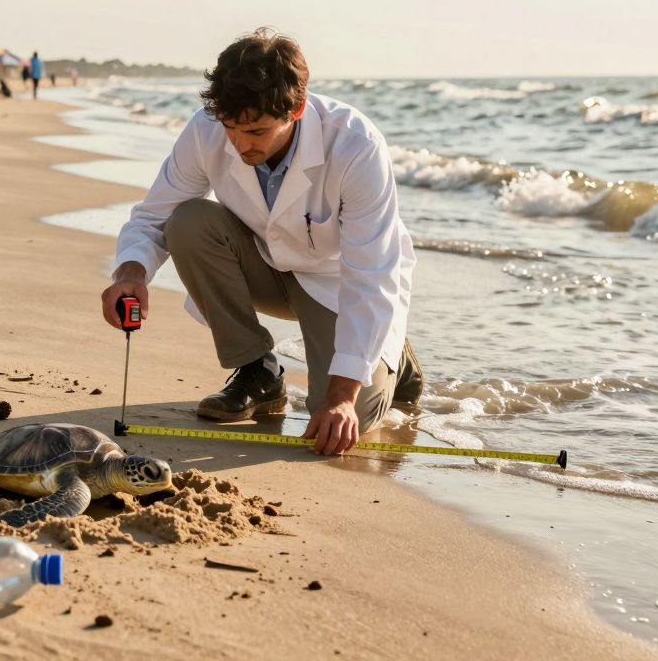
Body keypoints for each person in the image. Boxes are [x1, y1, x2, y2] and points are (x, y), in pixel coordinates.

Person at [101, 29, 423, 457]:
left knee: (346, 421)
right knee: (188, 221)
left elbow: (373, 274)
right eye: (231, 127)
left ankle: (394, 356)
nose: (239, 143)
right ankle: (258, 371)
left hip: (340, 285)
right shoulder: (208, 129)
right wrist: (130, 273)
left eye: (255, 130)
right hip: (266, 267)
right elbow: (155, 215)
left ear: (298, 109)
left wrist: (343, 397)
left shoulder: (356, 146)